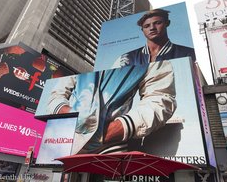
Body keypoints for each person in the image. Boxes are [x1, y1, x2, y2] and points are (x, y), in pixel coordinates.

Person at [47, 61, 177, 154]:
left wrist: (111, 132)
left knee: (107, 176)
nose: (152, 27)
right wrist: (68, 114)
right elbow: (56, 95)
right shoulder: (84, 62)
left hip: (111, 142)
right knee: (65, 175)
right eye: (147, 25)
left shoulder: (153, 60)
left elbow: (160, 100)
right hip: (68, 140)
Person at [114, 9, 195, 67]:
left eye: (158, 23)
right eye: (146, 26)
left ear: (167, 23)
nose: (152, 28)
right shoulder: (127, 58)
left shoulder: (189, 53)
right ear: (142, 30)